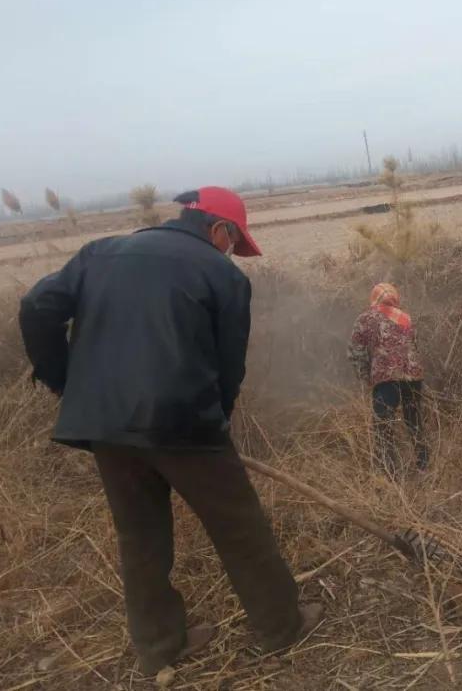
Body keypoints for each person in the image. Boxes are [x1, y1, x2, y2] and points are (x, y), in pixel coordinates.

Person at [19, 187, 321, 675]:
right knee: (239, 527)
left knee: (139, 537)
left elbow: (36, 306)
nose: (231, 253)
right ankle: (281, 626)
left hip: (107, 427)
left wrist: (67, 382)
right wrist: (215, 422)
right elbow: (229, 368)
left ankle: (160, 647)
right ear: (218, 229)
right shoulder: (221, 274)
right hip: (184, 423)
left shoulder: (100, 252)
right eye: (233, 242)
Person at [348, 283, 429, 475]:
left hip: (385, 380)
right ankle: (423, 466)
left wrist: (366, 378)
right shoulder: (406, 317)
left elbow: (355, 352)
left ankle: (389, 474)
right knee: (414, 421)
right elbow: (415, 346)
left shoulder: (365, 318)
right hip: (413, 377)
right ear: (394, 297)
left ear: (374, 298)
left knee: (383, 426)